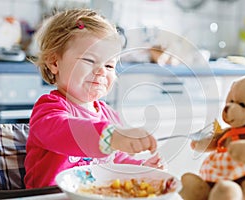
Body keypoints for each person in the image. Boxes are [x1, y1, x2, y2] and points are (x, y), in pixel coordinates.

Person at [24, 8, 162, 189]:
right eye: (89, 60)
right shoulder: (48, 109)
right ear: (54, 63)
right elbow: (66, 131)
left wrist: (141, 168)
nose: (101, 71)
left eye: (109, 65)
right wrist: (111, 137)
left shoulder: (110, 117)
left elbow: (116, 160)